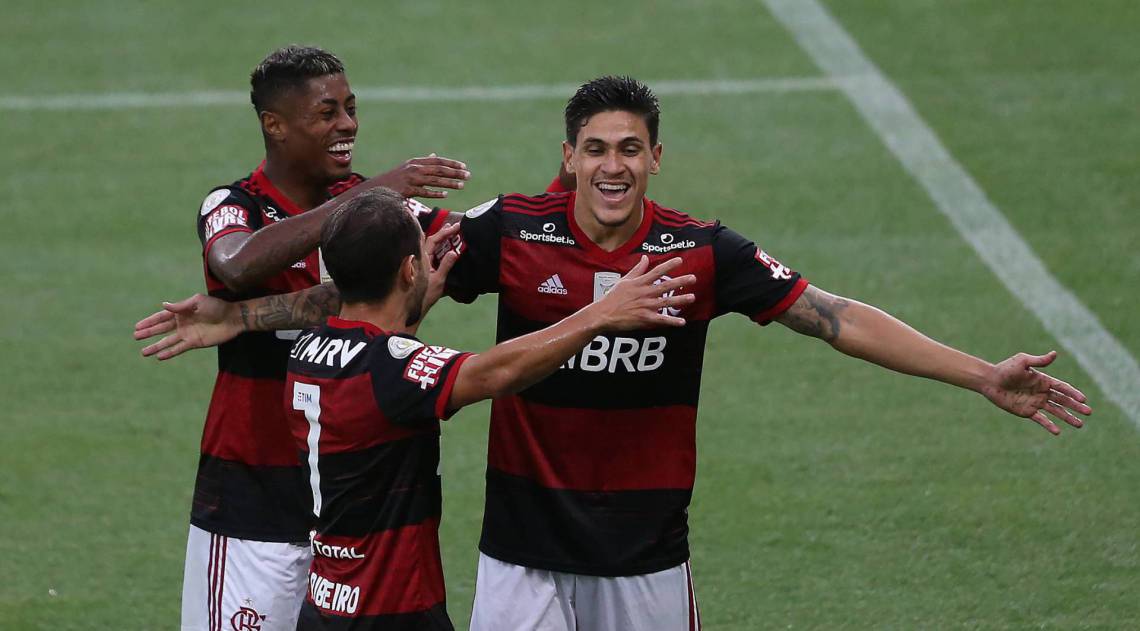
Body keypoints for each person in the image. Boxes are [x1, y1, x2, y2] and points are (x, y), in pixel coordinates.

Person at [136, 76, 1091, 630]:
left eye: (630, 148)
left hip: (645, 557)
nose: (612, 165)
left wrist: (980, 374)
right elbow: (387, 280)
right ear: (568, 154)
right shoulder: (511, 230)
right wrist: (246, 320)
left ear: (656, 159)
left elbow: (834, 316)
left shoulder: (702, 251)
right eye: (594, 147)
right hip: (521, 555)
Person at [283, 187, 694, 629]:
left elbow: (383, 368)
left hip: (325, 604)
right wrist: (598, 314)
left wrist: (416, 298)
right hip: (391, 610)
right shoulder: (390, 371)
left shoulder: (309, 348)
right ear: (407, 269)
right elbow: (493, 373)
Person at [178, 44, 470, 631]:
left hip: (352, 510)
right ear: (275, 125)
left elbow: (468, 249)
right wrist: (376, 193)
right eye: (328, 112)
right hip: (250, 501)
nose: (348, 125)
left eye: (351, 108)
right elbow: (234, 264)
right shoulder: (234, 205)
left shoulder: (375, 211)